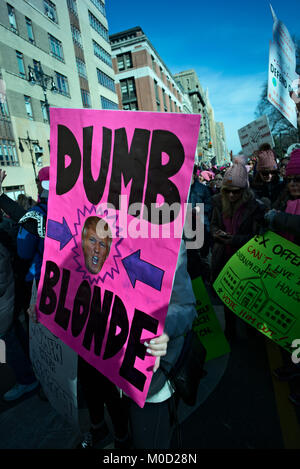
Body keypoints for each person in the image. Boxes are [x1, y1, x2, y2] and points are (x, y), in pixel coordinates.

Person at [1, 166, 49, 401]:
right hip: (66, 284)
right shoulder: (71, 210)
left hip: (39, 283)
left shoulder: (37, 215)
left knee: (39, 338)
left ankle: (36, 381)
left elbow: (23, 251)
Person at [210, 157, 266, 340]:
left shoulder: (255, 207)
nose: (232, 196)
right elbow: (212, 225)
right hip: (224, 257)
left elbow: (258, 238)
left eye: (236, 192)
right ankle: (231, 332)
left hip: (246, 259)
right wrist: (216, 233)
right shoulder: (218, 202)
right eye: (228, 192)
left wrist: (234, 240)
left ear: (244, 191)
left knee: (248, 299)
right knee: (227, 298)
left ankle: (251, 333)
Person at [264, 148, 300, 406]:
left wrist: (278, 218)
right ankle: (292, 366)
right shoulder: (282, 200)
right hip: (284, 275)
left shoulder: (283, 210)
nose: (293, 184)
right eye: (289, 180)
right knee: (288, 326)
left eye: (298, 180)